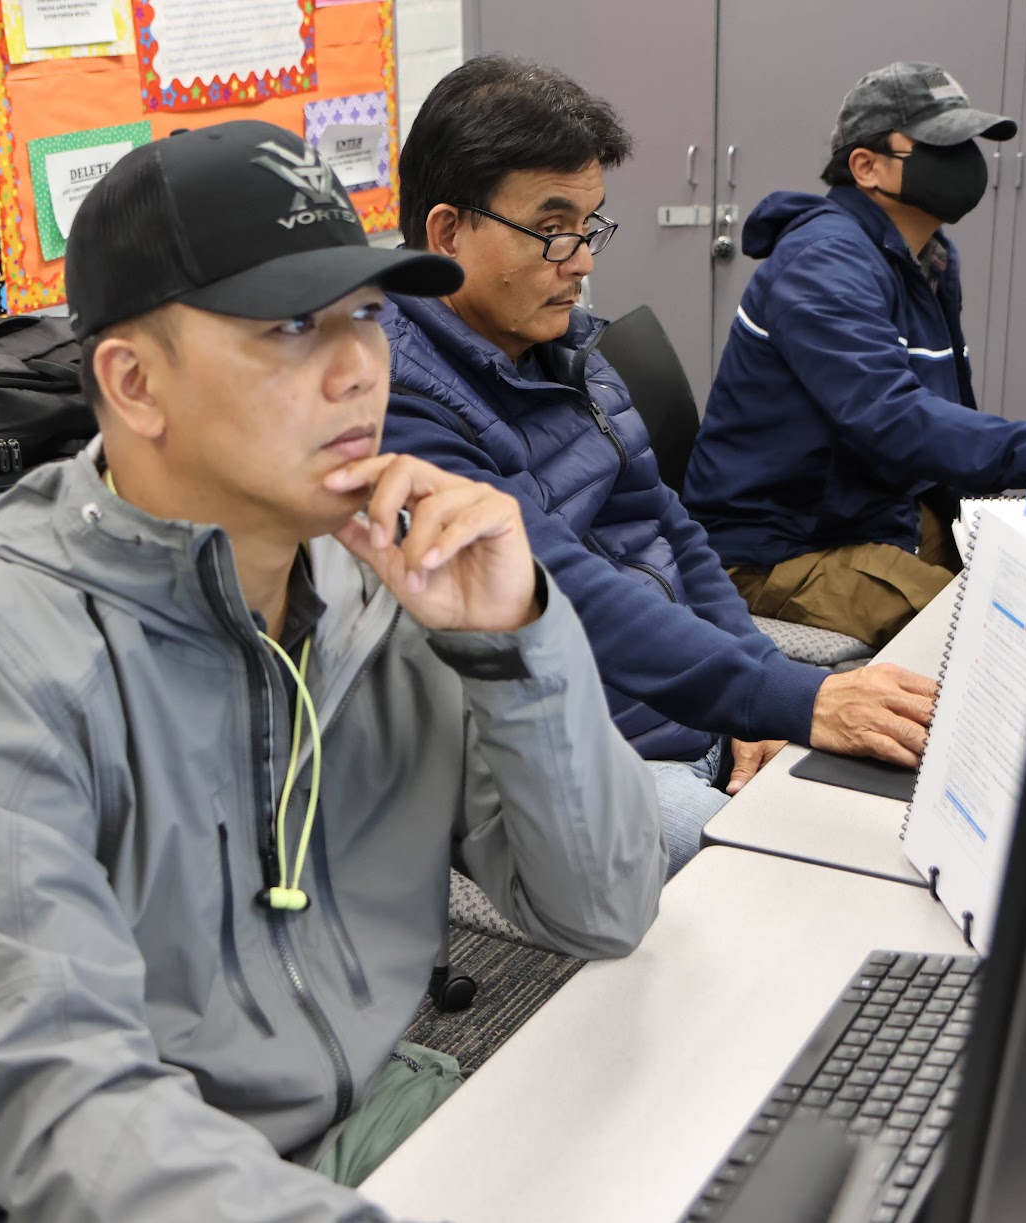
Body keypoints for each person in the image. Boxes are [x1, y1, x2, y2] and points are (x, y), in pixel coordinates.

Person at [0, 120, 667, 1223]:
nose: (358, 372)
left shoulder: (379, 582)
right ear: (134, 382)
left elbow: (602, 906)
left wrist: (512, 640)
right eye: (291, 326)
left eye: (369, 318)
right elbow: (61, 1114)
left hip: (355, 1128)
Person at [380, 57, 939, 878]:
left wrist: (760, 691)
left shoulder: (563, 343)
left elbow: (668, 525)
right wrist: (790, 696)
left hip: (692, 706)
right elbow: (560, 588)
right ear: (445, 234)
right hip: (569, 757)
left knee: (897, 820)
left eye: (591, 225)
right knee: (786, 877)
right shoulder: (397, 403)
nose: (581, 262)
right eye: (553, 228)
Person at [685, 61, 1026, 647]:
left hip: (869, 510)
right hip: (779, 551)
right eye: (940, 146)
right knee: (1004, 636)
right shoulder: (823, 262)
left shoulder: (924, 257)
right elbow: (892, 417)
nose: (965, 162)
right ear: (866, 166)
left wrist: (1008, 514)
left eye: (968, 144)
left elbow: (931, 420)